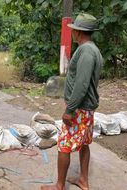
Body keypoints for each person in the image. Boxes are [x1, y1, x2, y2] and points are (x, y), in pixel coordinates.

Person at [41, 13, 103, 190]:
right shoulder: (93, 50)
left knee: (64, 145)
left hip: (79, 109)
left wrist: (70, 110)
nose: (73, 32)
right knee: (84, 144)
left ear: (79, 31)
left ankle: (59, 186)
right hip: (86, 108)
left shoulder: (86, 51)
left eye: (74, 29)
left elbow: (82, 84)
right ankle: (83, 180)